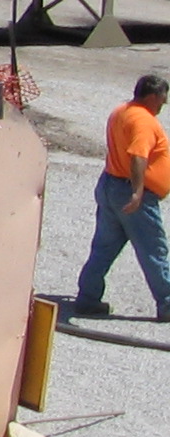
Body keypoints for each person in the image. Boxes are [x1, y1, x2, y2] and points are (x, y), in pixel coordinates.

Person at [73, 73, 170, 320]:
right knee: (154, 249)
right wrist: (137, 192)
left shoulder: (121, 111)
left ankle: (87, 299)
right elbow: (138, 155)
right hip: (131, 194)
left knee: (103, 247)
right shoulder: (144, 121)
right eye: (162, 99)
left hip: (111, 185)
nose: (164, 104)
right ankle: (167, 303)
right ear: (151, 96)